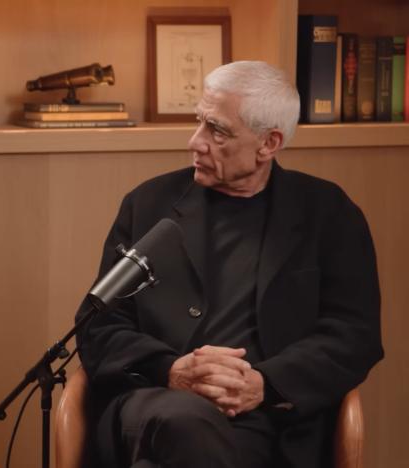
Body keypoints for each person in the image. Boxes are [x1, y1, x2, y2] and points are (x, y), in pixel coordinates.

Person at [75, 61, 383, 468]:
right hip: (155, 404)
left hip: (268, 420)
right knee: (185, 423)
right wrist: (171, 369)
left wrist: (264, 383)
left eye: (217, 131)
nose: (195, 142)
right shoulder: (149, 204)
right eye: (199, 122)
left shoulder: (328, 213)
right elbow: (98, 324)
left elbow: (354, 334)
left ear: (268, 143)